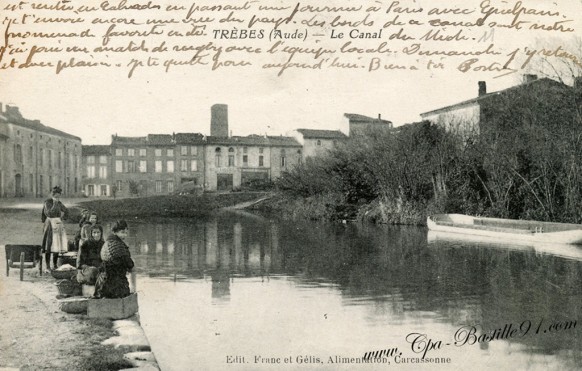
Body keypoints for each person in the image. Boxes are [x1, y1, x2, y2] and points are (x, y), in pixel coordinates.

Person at [95, 220, 134, 299]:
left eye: (126, 233)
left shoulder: (107, 242)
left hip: (101, 283)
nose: (125, 235)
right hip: (114, 285)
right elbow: (130, 265)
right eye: (122, 232)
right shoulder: (117, 245)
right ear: (115, 232)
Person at [41, 186, 69, 271]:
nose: (57, 198)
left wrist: (63, 218)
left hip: (57, 224)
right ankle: (48, 266)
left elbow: (66, 210)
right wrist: (54, 204)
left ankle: (55, 265)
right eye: (55, 196)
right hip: (49, 224)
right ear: (52, 195)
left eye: (58, 196)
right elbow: (49, 213)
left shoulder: (59, 203)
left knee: (57, 244)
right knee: (48, 245)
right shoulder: (47, 202)